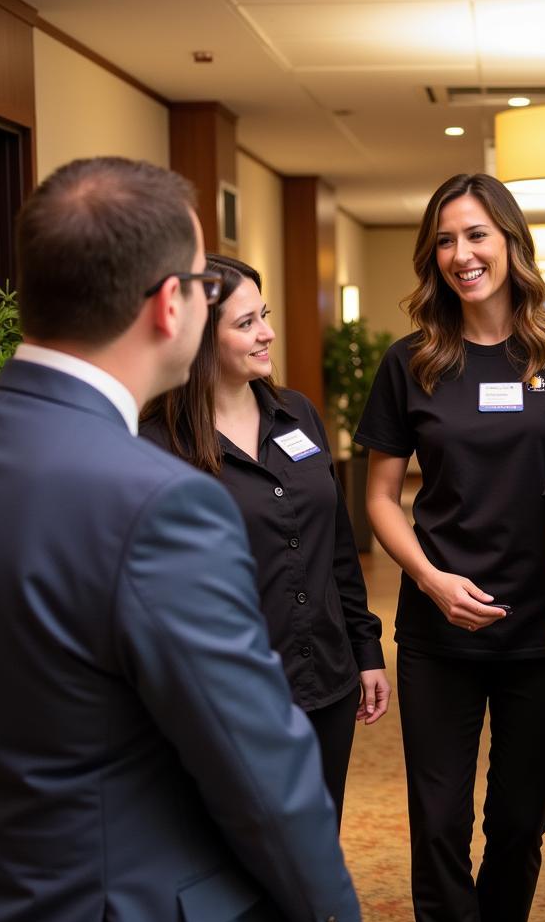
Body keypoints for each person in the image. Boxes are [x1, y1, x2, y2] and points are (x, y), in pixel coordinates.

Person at [0, 157, 363, 922]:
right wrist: (321, 918)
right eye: (206, 286)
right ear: (172, 305)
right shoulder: (159, 500)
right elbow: (254, 761)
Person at [355, 173, 545, 922]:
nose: (462, 255)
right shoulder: (412, 362)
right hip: (441, 632)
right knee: (437, 823)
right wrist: (429, 580)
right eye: (446, 240)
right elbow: (379, 498)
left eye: (477, 236)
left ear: (510, 241)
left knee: (517, 827)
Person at [141, 253, 389, 837]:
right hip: (227, 700)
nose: (267, 332)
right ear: (200, 340)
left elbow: (336, 548)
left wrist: (366, 648)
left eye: (266, 314)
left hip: (326, 682)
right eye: (246, 322)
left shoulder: (297, 413)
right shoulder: (158, 445)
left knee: (315, 848)